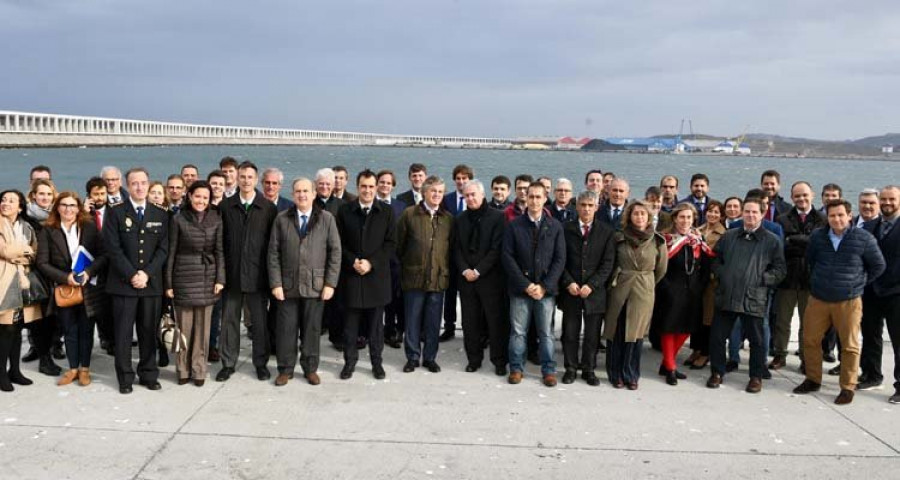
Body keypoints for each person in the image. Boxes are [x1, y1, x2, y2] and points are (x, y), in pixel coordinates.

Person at [792, 199, 885, 405]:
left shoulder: (864, 238)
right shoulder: (818, 237)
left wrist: (858, 283)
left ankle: (847, 386)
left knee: (850, 345)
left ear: (849, 216)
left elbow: (878, 265)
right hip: (818, 298)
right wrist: (817, 281)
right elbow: (810, 261)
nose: (836, 219)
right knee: (810, 340)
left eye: (841, 215)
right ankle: (813, 379)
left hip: (849, 300)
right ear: (827, 216)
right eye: (832, 215)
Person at [706, 198, 786, 394]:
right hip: (727, 295)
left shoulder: (771, 240)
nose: (750, 215)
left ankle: (755, 377)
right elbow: (716, 260)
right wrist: (722, 275)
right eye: (747, 211)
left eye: (754, 212)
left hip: (754, 297)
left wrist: (762, 279)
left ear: (762, 214)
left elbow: (780, 269)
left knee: (757, 341)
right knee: (717, 337)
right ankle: (717, 372)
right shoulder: (729, 236)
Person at [268, 177, 341, 386]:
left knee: (311, 330)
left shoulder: (326, 219)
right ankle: (285, 369)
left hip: (316, 286)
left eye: (306, 191)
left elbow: (335, 252)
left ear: (313, 194)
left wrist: (330, 284)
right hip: (287, 286)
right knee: (286, 331)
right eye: (298, 191)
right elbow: (273, 253)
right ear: (293, 195)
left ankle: (310, 368)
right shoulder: (282, 219)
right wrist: (276, 284)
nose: (302, 195)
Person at [104, 167, 169, 394]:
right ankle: (125, 377)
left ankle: (148, 374)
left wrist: (146, 274)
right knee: (122, 334)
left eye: (143, 182)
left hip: (150, 285)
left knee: (148, 332)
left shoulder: (160, 214)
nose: (139, 187)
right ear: (127, 186)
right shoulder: (115, 212)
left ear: (149, 184)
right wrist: (132, 274)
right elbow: (112, 248)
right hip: (123, 284)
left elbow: (163, 249)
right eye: (134, 183)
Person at [37, 192, 107, 387]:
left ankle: (85, 369)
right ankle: (73, 368)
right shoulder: (48, 230)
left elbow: (104, 255)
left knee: (86, 329)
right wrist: (65, 278)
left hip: (88, 287)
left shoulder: (90, 228)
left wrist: (88, 272)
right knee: (69, 329)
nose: (68, 209)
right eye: (64, 205)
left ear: (79, 208)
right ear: (57, 208)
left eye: (72, 205)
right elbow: (42, 262)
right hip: (65, 289)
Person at [217, 161, 278, 382]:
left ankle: (260, 363)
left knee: (259, 324)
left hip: (258, 277)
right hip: (232, 277)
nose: (245, 180)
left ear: (256, 179)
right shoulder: (225, 206)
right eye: (242, 177)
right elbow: (220, 244)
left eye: (249, 177)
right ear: (237, 179)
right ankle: (228, 363)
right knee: (229, 322)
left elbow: (273, 246)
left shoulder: (267, 207)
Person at [502, 182, 565, 387]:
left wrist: (544, 286)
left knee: (546, 333)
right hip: (521, 290)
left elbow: (559, 259)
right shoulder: (514, 225)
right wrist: (525, 285)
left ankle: (548, 370)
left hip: (545, 291)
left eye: (539, 197)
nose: (535, 201)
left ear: (545, 198)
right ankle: (516, 368)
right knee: (518, 332)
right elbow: (507, 257)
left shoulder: (555, 226)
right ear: (525, 198)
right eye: (531, 197)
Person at [335, 169, 395, 380]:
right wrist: (353, 261)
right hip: (351, 276)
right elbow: (338, 243)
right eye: (364, 186)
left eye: (371, 186)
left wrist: (371, 263)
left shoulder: (387, 212)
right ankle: (349, 363)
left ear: (377, 187)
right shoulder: (345, 211)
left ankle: (376, 363)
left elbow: (390, 244)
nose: (368, 190)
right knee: (350, 326)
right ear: (357, 187)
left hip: (376, 278)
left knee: (376, 328)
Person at [165, 181, 224, 386]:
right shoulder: (178, 219)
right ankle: (182, 368)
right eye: (197, 196)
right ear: (189, 196)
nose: (201, 201)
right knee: (183, 328)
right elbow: (171, 252)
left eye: (205, 198)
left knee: (203, 329)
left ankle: (199, 369)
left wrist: (220, 279)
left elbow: (219, 251)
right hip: (183, 275)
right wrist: (169, 283)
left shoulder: (216, 219)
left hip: (208, 276)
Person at [604, 201, 667, 390]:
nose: (639, 217)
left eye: (643, 214)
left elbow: (661, 270)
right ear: (629, 216)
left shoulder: (657, 240)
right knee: (617, 331)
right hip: (620, 287)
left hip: (643, 290)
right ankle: (615, 373)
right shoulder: (618, 238)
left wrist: (646, 283)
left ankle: (631, 374)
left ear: (648, 217)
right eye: (635, 213)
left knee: (636, 333)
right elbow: (611, 263)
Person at [558, 190, 615, 386]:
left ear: (597, 207)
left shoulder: (606, 232)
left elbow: (608, 263)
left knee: (592, 335)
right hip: (571, 290)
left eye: (591, 205)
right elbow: (559, 260)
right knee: (570, 333)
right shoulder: (564, 229)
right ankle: (571, 367)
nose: (587, 209)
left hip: (595, 292)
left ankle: (588, 369)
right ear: (577, 206)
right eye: (583, 205)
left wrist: (592, 284)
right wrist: (568, 282)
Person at [397, 175, 453, 374]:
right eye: (433, 191)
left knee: (432, 322)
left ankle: (430, 357)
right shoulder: (409, 214)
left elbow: (449, 249)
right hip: (413, 278)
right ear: (424, 193)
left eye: (440, 191)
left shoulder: (447, 218)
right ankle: (412, 357)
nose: (437, 195)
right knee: (412, 320)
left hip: (438, 279)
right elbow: (399, 246)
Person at [653, 203, 712, 385]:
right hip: (670, 290)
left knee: (686, 329)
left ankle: (666, 363)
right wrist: (666, 288)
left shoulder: (698, 239)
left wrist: (700, 286)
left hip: (693, 291)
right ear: (675, 218)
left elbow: (706, 265)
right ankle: (670, 367)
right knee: (669, 329)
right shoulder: (665, 239)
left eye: (688, 217)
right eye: (681, 217)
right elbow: (658, 266)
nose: (685, 221)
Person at [771, 181, 826, 370]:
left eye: (804, 195)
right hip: (787, 276)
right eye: (797, 196)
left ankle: (805, 357)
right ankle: (780, 354)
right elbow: (781, 247)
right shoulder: (783, 219)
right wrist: (804, 243)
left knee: (808, 323)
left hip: (811, 278)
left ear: (812, 195)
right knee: (782, 320)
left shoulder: (822, 219)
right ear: (792, 197)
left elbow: (819, 246)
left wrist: (794, 239)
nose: (801, 199)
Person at [454, 179, 507, 374]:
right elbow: (456, 249)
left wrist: (478, 271)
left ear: (483, 195)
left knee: (495, 323)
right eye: (466, 195)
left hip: (490, 280)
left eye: (473, 194)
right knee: (470, 323)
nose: (470, 198)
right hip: (466, 280)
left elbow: (496, 249)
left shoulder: (498, 217)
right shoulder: (459, 219)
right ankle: (474, 359)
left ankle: (499, 361)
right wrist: (465, 270)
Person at [860, 185, 900, 403]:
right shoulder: (868, 227)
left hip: (896, 292)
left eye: (891, 199)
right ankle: (871, 375)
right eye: (883, 199)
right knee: (870, 336)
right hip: (871, 290)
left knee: (898, 341)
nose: (886, 203)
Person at [0, 189, 43, 392]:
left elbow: (34, 253)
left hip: (22, 281)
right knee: (5, 329)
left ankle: (15, 370)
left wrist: (21, 254)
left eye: (11, 201)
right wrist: (21, 251)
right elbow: (5, 251)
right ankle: (1, 373)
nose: (5, 203)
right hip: (4, 283)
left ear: (20, 206)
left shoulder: (26, 227)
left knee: (17, 328)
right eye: (3, 200)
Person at [24, 178, 63, 374]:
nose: (45, 198)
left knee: (53, 318)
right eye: (41, 194)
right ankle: (44, 359)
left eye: (49, 194)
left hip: (54, 274)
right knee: (38, 319)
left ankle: (50, 350)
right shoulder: (26, 217)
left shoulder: (56, 217)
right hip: (35, 275)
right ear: (33, 196)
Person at [687, 200, 726, 370]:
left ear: (722, 215)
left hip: (711, 281)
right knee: (695, 315)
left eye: (717, 212)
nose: (713, 215)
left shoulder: (724, 234)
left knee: (707, 318)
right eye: (710, 211)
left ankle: (705, 352)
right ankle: (695, 349)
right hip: (696, 279)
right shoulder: (697, 230)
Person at [439, 164, 474, 342]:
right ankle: (449, 326)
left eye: (464, 178)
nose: (461, 182)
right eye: (458, 178)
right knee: (450, 294)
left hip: (470, 257)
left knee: (469, 295)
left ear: (470, 180)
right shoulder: (447, 200)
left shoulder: (475, 199)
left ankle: (471, 328)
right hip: (450, 255)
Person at [375, 170, 407, 349]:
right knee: (377, 299)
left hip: (395, 261)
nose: (385, 185)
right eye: (382, 182)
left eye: (388, 183)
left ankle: (395, 331)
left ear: (393, 185)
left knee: (395, 298)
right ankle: (377, 332)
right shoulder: (370, 204)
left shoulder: (401, 207)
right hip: (375, 260)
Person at [83, 176, 113, 356]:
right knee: (93, 307)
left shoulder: (115, 211)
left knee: (109, 307)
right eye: (96, 194)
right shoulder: (83, 214)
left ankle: (109, 340)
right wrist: (83, 212)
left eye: (103, 193)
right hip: (90, 266)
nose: (100, 197)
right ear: (89, 195)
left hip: (111, 265)